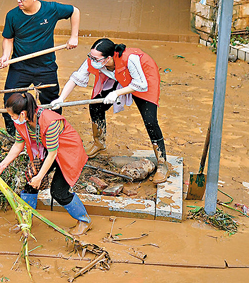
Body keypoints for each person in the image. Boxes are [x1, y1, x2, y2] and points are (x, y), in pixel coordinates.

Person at [50, 38, 168, 184]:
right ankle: (99, 143)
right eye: (90, 56)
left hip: (143, 80)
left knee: (150, 121)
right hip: (118, 77)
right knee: (96, 106)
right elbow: (76, 78)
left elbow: (140, 84)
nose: (92, 60)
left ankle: (162, 162)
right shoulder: (95, 60)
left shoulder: (130, 59)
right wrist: (61, 98)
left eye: (96, 58)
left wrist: (116, 94)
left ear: (109, 58)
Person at [0, 92, 92, 236]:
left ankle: (84, 221)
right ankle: (25, 220)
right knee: (30, 182)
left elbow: (52, 154)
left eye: (13, 116)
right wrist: (3, 165)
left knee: (58, 192)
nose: (12, 118)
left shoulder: (50, 122)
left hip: (68, 153)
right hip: (47, 150)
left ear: (23, 113)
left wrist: (40, 177)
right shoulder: (22, 121)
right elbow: (18, 144)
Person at [0, 0, 80, 135]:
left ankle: (54, 133)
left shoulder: (51, 9)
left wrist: (73, 36)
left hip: (45, 66)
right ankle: (12, 135)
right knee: (9, 101)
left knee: (52, 102)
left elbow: (74, 11)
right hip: (20, 66)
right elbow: (8, 38)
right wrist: (5, 56)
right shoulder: (12, 16)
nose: (18, 1)